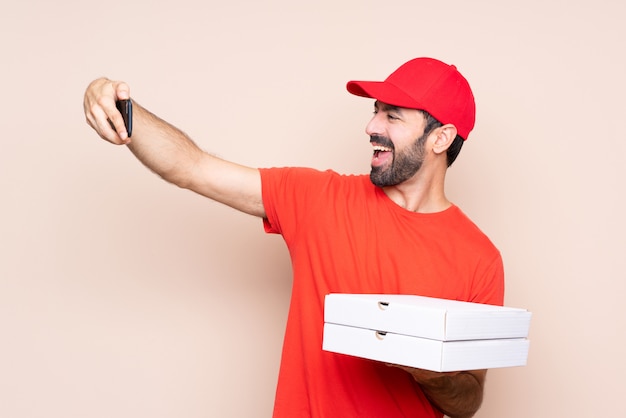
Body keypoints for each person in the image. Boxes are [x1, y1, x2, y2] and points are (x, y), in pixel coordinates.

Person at [84, 57, 504, 418]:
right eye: (376, 111)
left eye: (392, 116)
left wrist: (426, 367)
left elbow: (468, 402)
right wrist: (119, 105)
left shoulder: (479, 258)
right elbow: (191, 167)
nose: (371, 126)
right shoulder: (319, 198)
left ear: (441, 138)